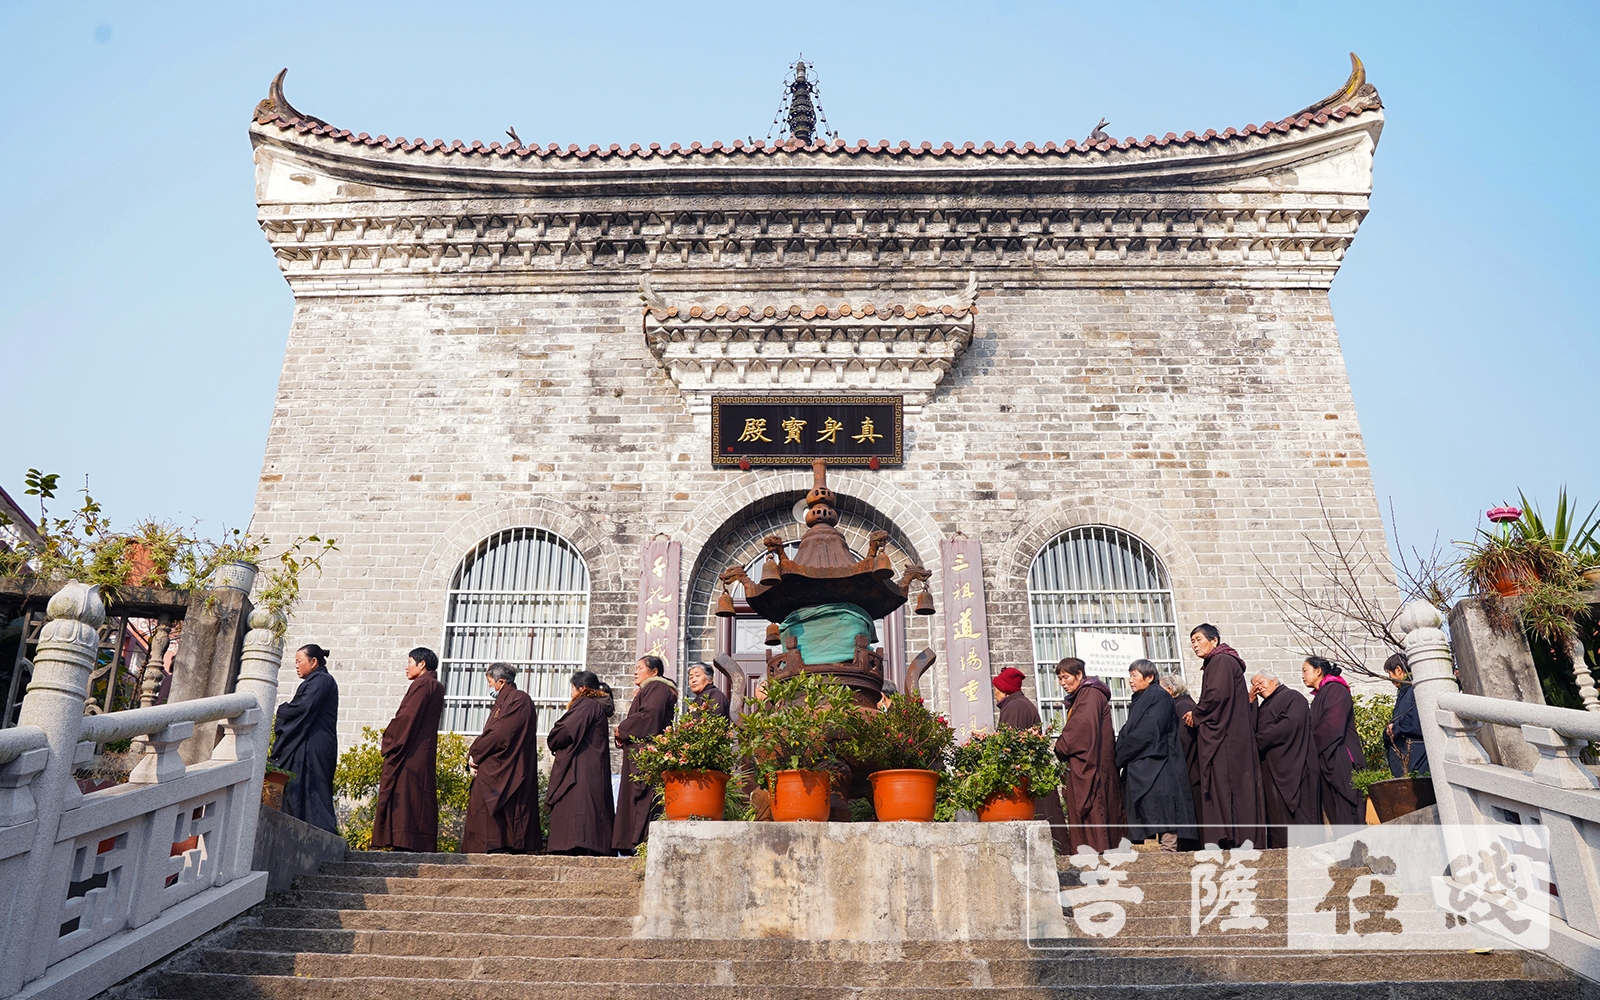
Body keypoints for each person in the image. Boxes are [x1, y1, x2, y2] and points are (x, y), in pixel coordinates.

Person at [1183, 625, 1265, 849]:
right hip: (1232, 736)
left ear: (1215, 640)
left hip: (1226, 739)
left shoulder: (1221, 661)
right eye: (1192, 641)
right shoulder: (1221, 662)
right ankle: (1234, 838)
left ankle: (1233, 838)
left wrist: (1196, 713)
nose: (1195, 645)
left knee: (1227, 785)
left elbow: (1216, 696)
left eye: (1199, 639)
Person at [1114, 659, 1195, 852]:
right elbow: (1127, 730)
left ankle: (1168, 848)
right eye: (1130, 675)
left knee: (1164, 805)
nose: (1130, 680)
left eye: (1134, 675)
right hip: (1142, 761)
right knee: (1150, 805)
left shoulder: (1159, 696)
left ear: (1149, 677)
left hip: (1159, 761)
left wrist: (1121, 755)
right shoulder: (1140, 699)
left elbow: (1148, 730)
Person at [371, 647, 446, 852]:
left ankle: (404, 841)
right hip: (422, 749)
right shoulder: (435, 685)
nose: (406, 667)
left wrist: (389, 738)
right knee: (416, 796)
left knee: (406, 795)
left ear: (422, 664)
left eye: (410, 662)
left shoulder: (424, 684)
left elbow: (406, 717)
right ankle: (414, 841)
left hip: (411, 751)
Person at [464, 662, 543, 854]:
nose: (489, 688)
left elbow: (501, 733)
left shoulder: (519, 699)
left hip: (508, 765)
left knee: (496, 805)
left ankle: (499, 847)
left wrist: (476, 754)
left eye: (490, 683)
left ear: (501, 681)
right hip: (495, 762)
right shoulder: (505, 700)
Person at [991, 666, 1071, 854]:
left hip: (1028, 777)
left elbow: (1010, 744)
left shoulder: (1015, 706)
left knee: (1041, 816)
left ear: (1004, 690)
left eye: (996, 688)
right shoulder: (1018, 704)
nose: (994, 693)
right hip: (1033, 775)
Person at [1052, 658, 1125, 853]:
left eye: (1065, 677)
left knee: (1095, 806)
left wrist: (1061, 746)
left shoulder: (1090, 694)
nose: (1062, 683)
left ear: (1079, 675)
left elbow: (1080, 730)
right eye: (1059, 678)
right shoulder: (1084, 694)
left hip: (1093, 765)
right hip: (1093, 762)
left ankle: (1097, 850)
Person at [270, 644, 340, 834]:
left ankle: (321, 831)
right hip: (306, 742)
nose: (296, 665)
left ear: (314, 661)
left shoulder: (322, 681)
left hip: (314, 744)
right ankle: (298, 829)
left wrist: (282, 709)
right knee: (298, 786)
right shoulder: (315, 681)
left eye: (299, 661)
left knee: (313, 788)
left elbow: (303, 708)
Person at [613, 655, 678, 853]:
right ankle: (632, 843)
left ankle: (639, 843)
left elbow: (649, 716)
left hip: (645, 752)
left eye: (640, 668)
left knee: (642, 797)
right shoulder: (650, 688)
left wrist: (622, 729)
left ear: (654, 671)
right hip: (639, 751)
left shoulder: (657, 687)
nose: (635, 671)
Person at [546, 670, 615, 855]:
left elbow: (566, 730)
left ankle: (578, 845)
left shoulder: (587, 704)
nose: (572, 693)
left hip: (582, 768)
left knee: (579, 807)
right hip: (591, 767)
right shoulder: (595, 706)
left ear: (582, 688)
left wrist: (553, 739)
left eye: (572, 689)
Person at [1251, 668, 1320, 847]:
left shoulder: (1292, 697)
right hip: (1271, 769)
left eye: (1261, 682)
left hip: (1295, 766)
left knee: (1300, 816)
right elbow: (1249, 727)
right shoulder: (1263, 706)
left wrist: (1258, 739)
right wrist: (1250, 702)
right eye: (1254, 685)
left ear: (1274, 680)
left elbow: (1290, 725)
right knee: (1277, 817)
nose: (1258, 687)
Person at [1304, 655, 1365, 827]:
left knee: (1349, 809)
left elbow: (1332, 725)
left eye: (1305, 670)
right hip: (1327, 758)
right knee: (1335, 812)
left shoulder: (1336, 690)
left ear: (1318, 671)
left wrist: (1311, 748)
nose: (1302, 675)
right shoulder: (1320, 696)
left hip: (1341, 757)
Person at [1161, 671, 1203, 846]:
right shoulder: (1178, 705)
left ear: (1170, 690)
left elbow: (1185, 740)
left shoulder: (1183, 705)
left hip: (1190, 769)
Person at [1382, 653, 1429, 778]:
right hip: (1410, 756)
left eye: (1389, 674)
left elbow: (1414, 723)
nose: (1390, 679)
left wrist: (1394, 729)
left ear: (1398, 670)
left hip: (1416, 756)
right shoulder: (1405, 691)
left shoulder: (1414, 690)